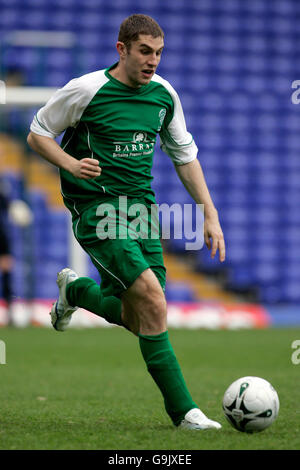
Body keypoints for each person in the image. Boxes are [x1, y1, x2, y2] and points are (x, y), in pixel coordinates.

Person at [27, 14, 225, 430]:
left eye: (158, 52)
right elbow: (38, 132)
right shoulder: (86, 90)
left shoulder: (164, 95)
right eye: (144, 51)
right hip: (97, 210)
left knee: (141, 318)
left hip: (142, 210)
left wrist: (209, 211)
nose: (153, 60)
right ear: (122, 50)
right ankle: (184, 413)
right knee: (153, 300)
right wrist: (69, 163)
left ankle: (76, 291)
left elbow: (184, 156)